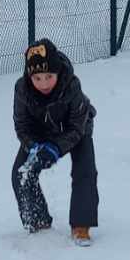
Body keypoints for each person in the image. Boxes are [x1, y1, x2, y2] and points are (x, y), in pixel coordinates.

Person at [12, 39, 102, 243]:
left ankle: (81, 225)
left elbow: (77, 127)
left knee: (85, 171)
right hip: (40, 132)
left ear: (58, 72)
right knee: (21, 172)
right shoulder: (22, 89)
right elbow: (22, 126)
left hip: (76, 129)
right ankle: (38, 220)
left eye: (49, 77)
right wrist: (34, 146)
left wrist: (56, 148)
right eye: (37, 78)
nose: (43, 83)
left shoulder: (71, 85)